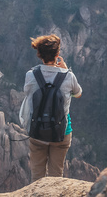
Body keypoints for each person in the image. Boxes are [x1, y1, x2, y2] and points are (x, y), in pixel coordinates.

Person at [18, 34, 82, 182]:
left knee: (37, 178)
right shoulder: (68, 76)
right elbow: (78, 94)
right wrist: (66, 71)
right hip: (61, 133)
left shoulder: (31, 75)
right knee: (56, 178)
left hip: (37, 131)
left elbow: (27, 93)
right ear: (57, 54)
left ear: (39, 54)